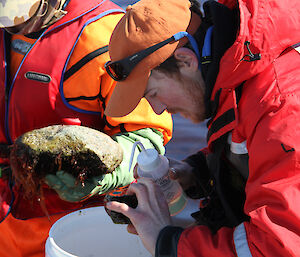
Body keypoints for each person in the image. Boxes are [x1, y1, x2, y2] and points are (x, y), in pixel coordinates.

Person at [104, 0, 300, 256]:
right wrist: (199, 171)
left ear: (185, 61)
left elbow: (278, 247)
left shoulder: (282, 107)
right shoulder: (243, 72)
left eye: (153, 93)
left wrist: (165, 241)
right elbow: (255, 148)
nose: (158, 109)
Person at [0, 0, 173, 256]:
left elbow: (148, 140)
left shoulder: (110, 37)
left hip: (71, 227)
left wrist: (104, 178)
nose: (12, 16)